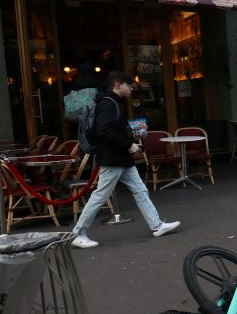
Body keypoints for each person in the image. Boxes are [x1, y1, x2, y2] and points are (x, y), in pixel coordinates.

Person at [71, 71, 179, 249]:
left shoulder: (108, 102)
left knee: (139, 190)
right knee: (102, 195)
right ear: (118, 84)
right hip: (114, 157)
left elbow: (107, 130)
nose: (131, 89)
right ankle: (78, 233)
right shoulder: (109, 104)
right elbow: (105, 130)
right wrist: (128, 145)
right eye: (129, 85)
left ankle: (157, 225)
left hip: (118, 157)